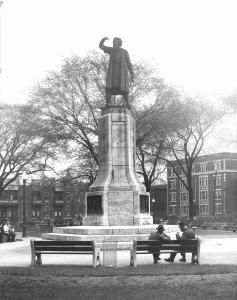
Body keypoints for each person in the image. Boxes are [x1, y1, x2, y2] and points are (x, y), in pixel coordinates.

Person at [99, 37, 134, 108]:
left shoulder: (124, 52)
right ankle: (107, 104)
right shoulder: (111, 50)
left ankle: (128, 104)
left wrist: (131, 72)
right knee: (109, 88)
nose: (113, 43)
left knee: (124, 89)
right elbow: (101, 46)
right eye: (113, 42)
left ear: (119, 43)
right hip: (113, 73)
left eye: (115, 42)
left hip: (121, 73)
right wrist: (102, 40)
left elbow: (128, 63)